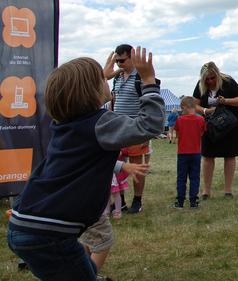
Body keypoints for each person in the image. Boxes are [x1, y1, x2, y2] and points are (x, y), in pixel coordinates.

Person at [7, 48, 164, 280]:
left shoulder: (65, 126)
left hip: (25, 225)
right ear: (90, 92)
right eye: (102, 79)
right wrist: (149, 81)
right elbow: (151, 125)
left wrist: (99, 78)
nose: (107, 79)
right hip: (48, 234)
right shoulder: (100, 124)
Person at [103, 43, 157, 214]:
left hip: (135, 128)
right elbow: (106, 81)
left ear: (132, 57)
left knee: (137, 166)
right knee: (116, 167)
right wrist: (113, 69)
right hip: (118, 128)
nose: (120, 64)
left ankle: (137, 200)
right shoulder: (118, 77)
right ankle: (121, 200)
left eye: (122, 60)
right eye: (117, 61)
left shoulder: (140, 76)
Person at [192, 61, 238, 199]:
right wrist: (206, 111)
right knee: (208, 156)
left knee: (229, 155)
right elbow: (194, 104)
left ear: (217, 74)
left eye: (212, 78)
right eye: (206, 79)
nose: (209, 81)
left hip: (230, 125)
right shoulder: (200, 85)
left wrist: (225, 101)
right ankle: (206, 191)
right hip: (210, 126)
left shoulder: (229, 81)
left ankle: (228, 190)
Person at [173, 96, 206, 208]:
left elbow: (178, 134)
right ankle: (193, 201)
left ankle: (180, 201)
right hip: (196, 152)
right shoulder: (201, 120)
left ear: (186, 107)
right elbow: (202, 133)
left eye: (182, 109)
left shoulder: (180, 120)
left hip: (182, 153)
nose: (182, 111)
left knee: (181, 177)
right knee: (195, 177)